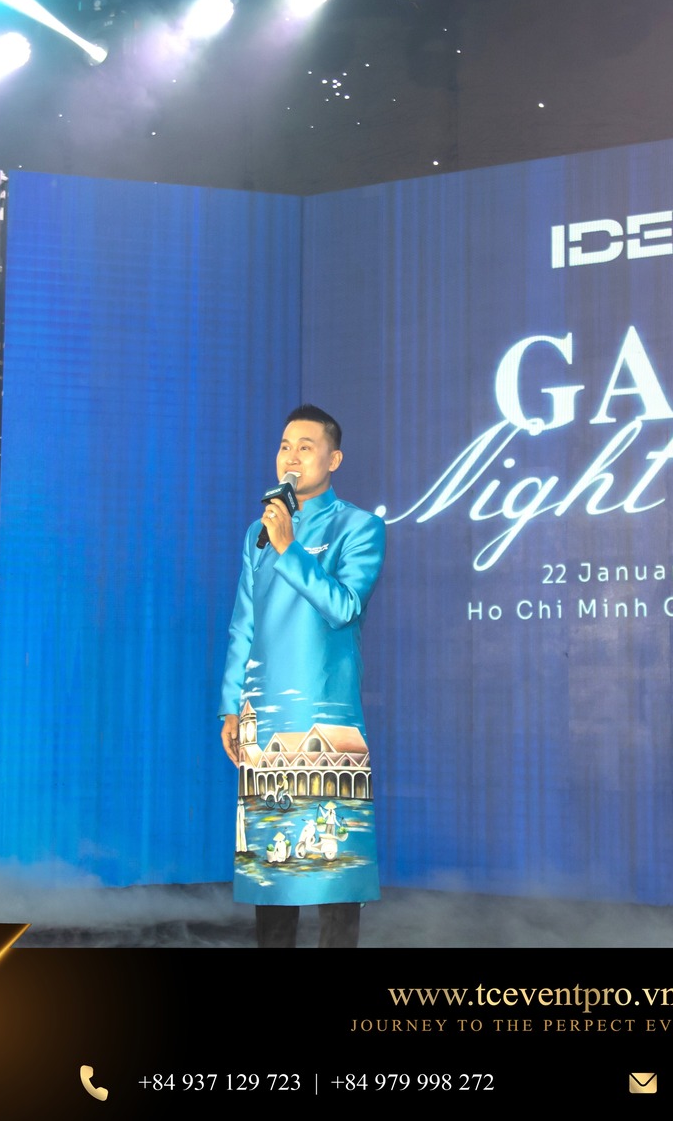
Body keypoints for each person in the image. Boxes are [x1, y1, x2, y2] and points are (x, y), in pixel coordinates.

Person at [218, 404, 386, 948]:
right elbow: (243, 623)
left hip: (324, 711)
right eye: (285, 446)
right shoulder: (258, 532)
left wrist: (290, 547)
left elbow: (343, 607)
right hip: (265, 714)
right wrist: (230, 705)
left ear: (333, 459)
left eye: (306, 447)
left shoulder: (360, 527)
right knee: (272, 870)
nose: (291, 456)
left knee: (335, 870)